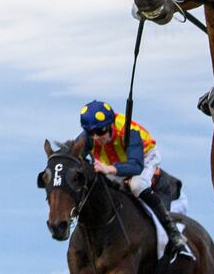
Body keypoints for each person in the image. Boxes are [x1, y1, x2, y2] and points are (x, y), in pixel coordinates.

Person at [78, 100, 188, 254]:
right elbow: (74, 154)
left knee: (137, 185)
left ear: (110, 125)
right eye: (91, 133)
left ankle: (172, 231)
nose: (96, 137)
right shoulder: (90, 135)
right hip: (116, 161)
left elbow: (136, 166)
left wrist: (108, 168)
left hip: (143, 157)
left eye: (100, 131)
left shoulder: (129, 131)